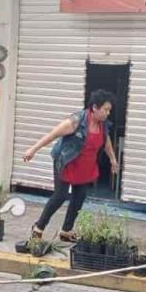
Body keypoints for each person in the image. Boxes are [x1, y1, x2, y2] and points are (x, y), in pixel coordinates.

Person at [23, 89, 119, 241]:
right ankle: (38, 227)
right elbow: (52, 135)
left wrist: (113, 159)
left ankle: (66, 231)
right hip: (66, 161)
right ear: (95, 107)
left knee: (79, 197)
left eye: (109, 110)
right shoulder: (76, 121)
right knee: (60, 196)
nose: (108, 113)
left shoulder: (103, 125)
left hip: (85, 164)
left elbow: (106, 141)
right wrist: (33, 149)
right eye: (106, 109)